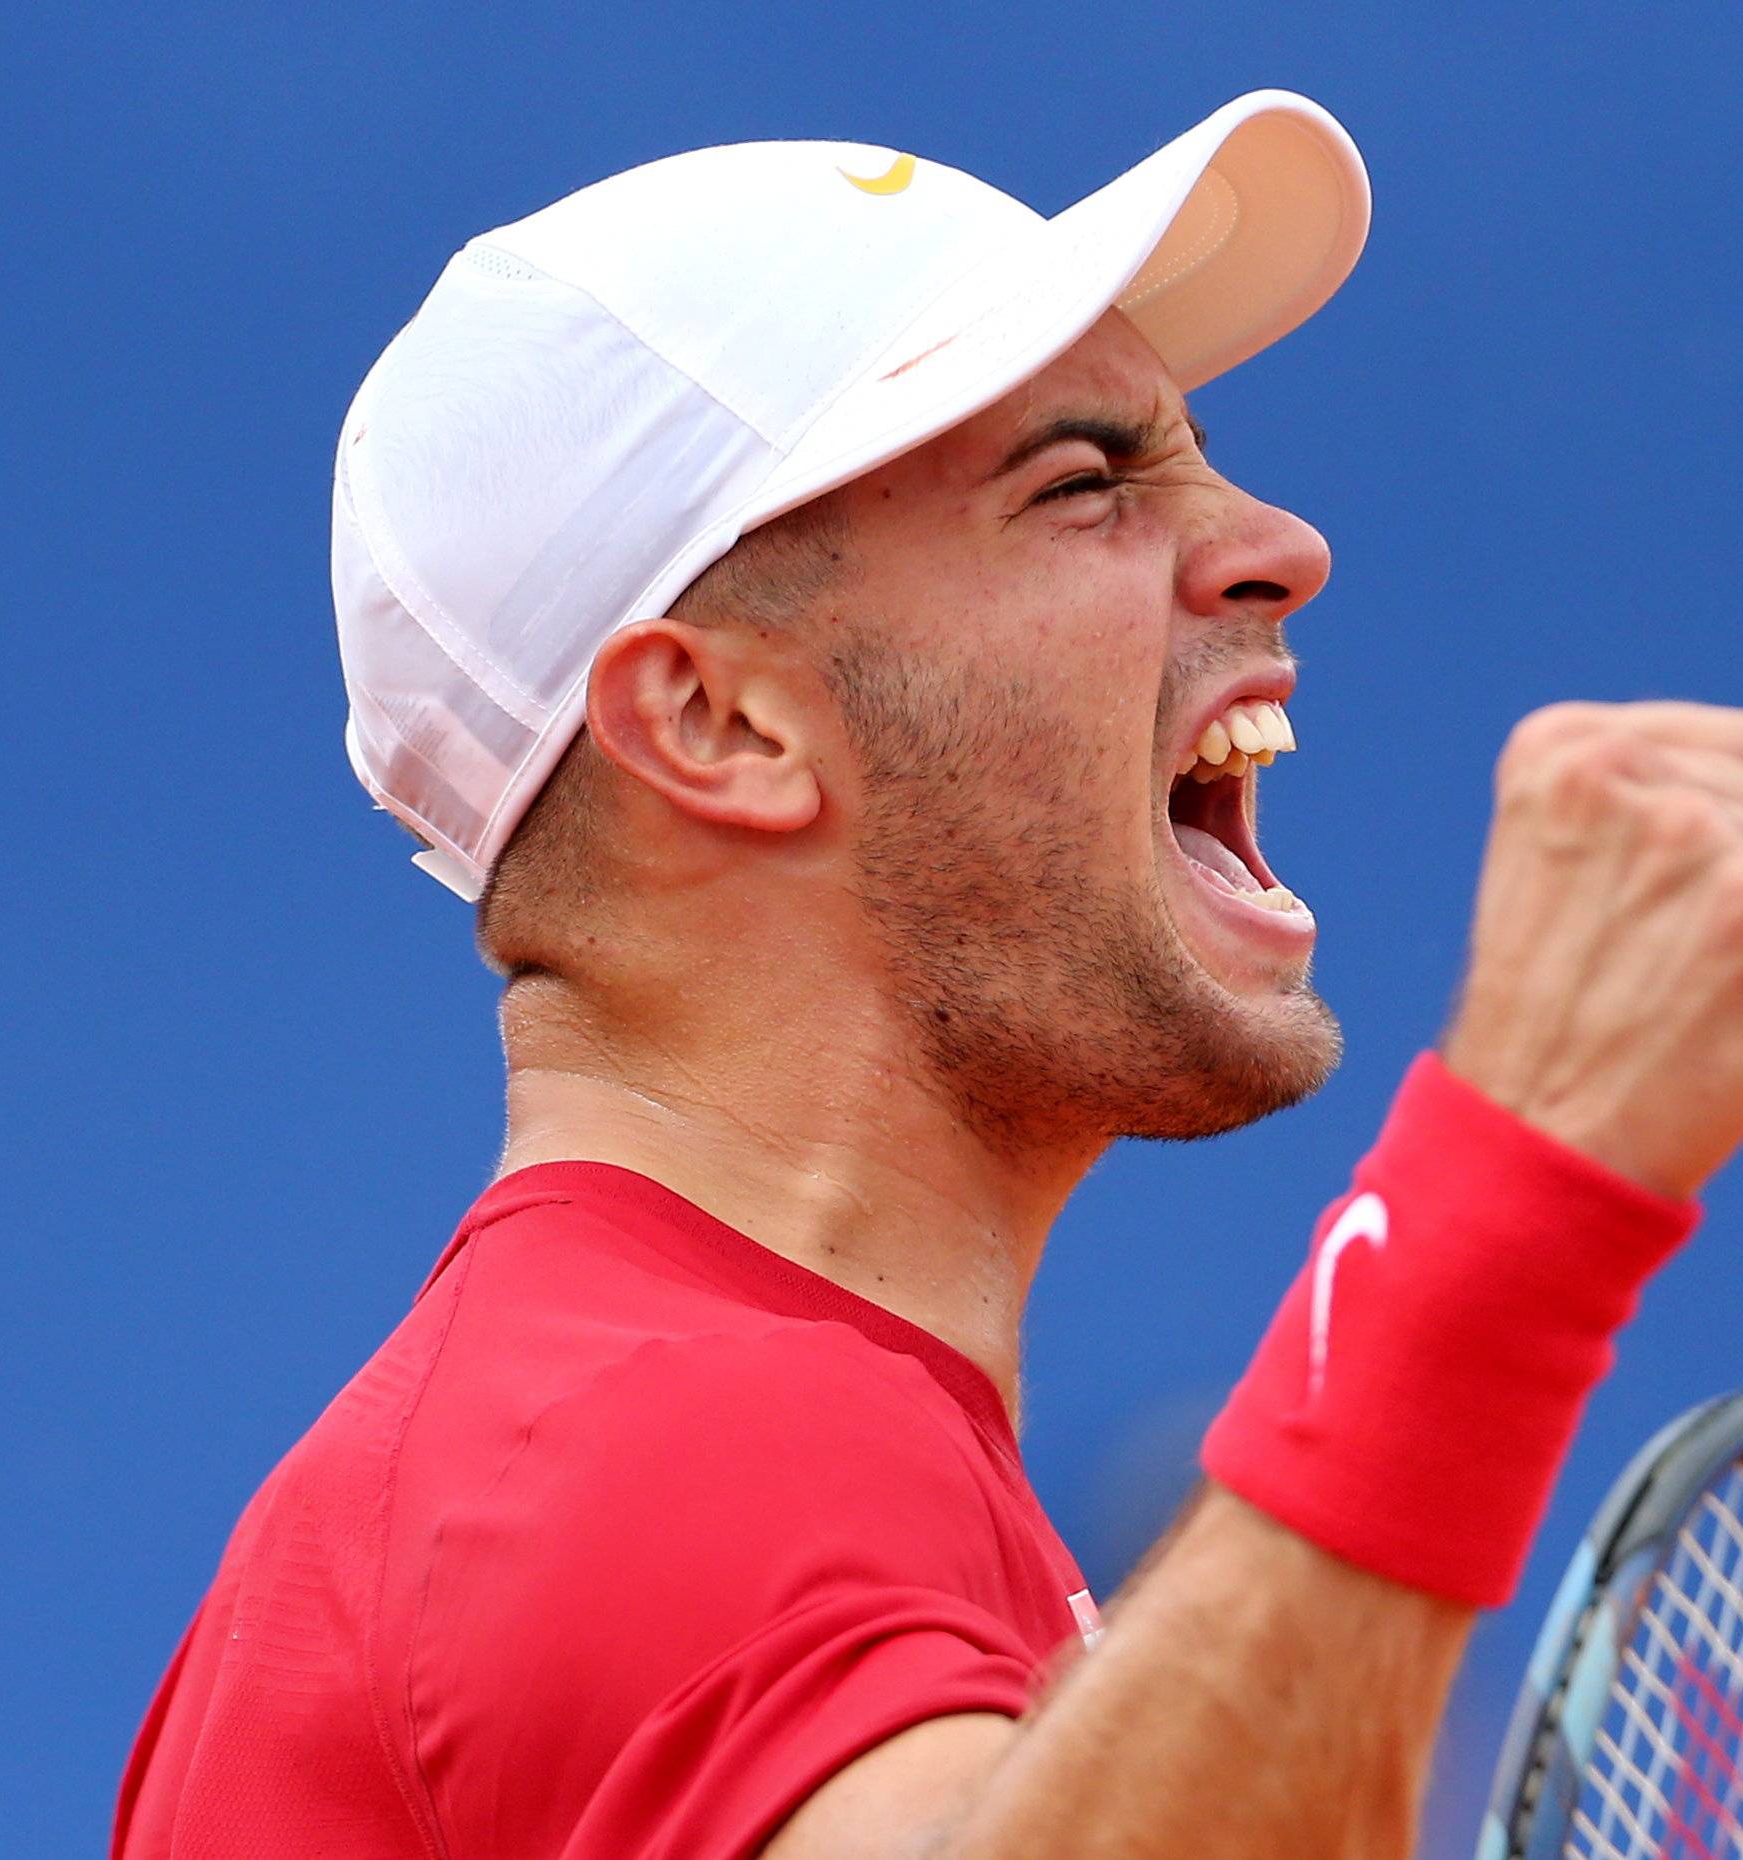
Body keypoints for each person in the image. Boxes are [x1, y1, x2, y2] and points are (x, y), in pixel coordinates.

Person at [112, 90, 1743, 1859]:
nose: (1282, 542)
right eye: (1083, 486)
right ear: (719, 721)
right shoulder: (649, 1434)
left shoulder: (642, 1422)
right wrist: (1519, 1172)